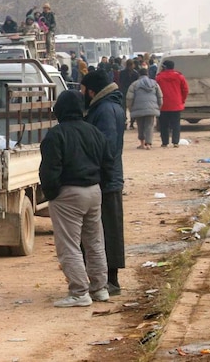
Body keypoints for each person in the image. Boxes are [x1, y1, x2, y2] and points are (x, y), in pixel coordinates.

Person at [39, 90, 114, 307]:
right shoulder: (94, 132)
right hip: (94, 191)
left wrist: (53, 193)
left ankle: (79, 292)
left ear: (59, 110)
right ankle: (100, 289)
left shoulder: (56, 135)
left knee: (69, 245)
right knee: (95, 242)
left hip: (68, 194)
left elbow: (49, 170)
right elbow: (108, 163)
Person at [80, 70, 126, 296]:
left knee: (106, 231)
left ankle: (111, 281)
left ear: (91, 91)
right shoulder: (108, 106)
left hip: (106, 180)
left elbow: (105, 146)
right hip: (109, 177)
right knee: (108, 229)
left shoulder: (105, 110)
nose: (81, 94)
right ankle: (107, 279)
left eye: (82, 90)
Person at [125, 68, 162, 150]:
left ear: (139, 75)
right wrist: (159, 106)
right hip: (151, 108)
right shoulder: (154, 83)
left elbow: (129, 98)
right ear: (147, 74)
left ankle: (142, 144)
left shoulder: (134, 84)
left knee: (140, 125)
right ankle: (148, 144)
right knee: (149, 126)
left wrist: (130, 108)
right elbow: (159, 96)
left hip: (138, 108)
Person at [155, 60, 189, 148]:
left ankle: (165, 142)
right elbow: (185, 90)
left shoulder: (159, 77)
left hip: (163, 105)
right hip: (176, 104)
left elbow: (155, 91)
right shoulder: (179, 76)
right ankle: (175, 142)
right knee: (176, 124)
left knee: (163, 124)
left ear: (164, 67)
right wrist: (182, 100)